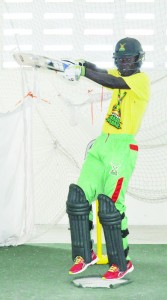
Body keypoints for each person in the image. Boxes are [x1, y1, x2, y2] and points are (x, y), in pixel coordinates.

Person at [65, 37, 150, 280]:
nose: (123, 63)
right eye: (120, 59)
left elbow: (112, 81)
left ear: (138, 59)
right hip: (102, 142)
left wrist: (82, 72)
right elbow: (104, 72)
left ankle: (121, 263)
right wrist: (85, 63)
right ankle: (85, 255)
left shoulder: (140, 80)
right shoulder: (119, 73)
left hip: (122, 147)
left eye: (128, 59)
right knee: (78, 197)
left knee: (111, 206)